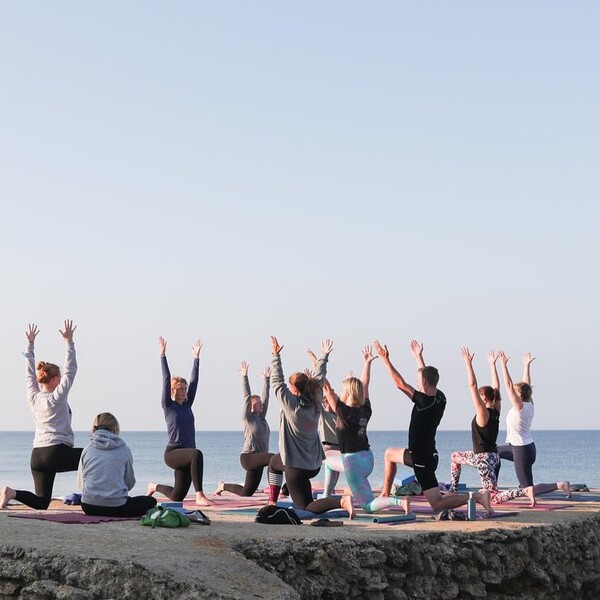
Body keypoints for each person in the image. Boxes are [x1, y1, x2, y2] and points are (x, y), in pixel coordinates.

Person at [375, 339, 493, 515]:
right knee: (389, 454)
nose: (416, 384)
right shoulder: (440, 398)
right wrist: (418, 357)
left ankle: (477, 497)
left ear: (423, 383)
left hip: (421, 459)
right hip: (427, 454)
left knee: (437, 504)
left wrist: (385, 359)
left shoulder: (424, 402)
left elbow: (400, 383)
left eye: (418, 381)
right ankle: (384, 494)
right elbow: (427, 379)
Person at [266, 336, 354, 517]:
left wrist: (275, 356)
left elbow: (276, 383)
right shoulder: (315, 402)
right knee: (274, 463)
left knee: (305, 509)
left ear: (294, 390)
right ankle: (272, 501)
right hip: (312, 465)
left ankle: (341, 501)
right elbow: (320, 377)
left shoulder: (293, 406)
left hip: (296, 467)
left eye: (291, 388)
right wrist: (324, 356)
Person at [1, 321, 81, 510]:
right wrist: (69, 342)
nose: (62, 381)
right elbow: (71, 371)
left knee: (42, 503)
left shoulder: (33, 397)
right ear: (54, 380)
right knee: (94, 456)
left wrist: (30, 346)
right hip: (56, 453)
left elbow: (29, 374)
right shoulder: (56, 398)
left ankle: (12, 493)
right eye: (59, 378)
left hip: (37, 455)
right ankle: (100, 496)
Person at [322, 346, 410, 514]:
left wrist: (319, 361)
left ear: (346, 393)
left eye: (342, 390)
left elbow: (326, 388)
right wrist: (367, 362)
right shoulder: (365, 409)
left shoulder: (343, 412)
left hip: (352, 463)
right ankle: (326, 495)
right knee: (328, 461)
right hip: (367, 459)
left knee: (368, 506)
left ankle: (399, 501)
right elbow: (364, 384)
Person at [450, 349, 526, 503]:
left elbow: (472, 385)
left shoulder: (483, 413)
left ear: (484, 398)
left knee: (494, 496)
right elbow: (496, 388)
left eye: (481, 395)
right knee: (455, 457)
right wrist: (493, 365)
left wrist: (468, 364)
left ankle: (523, 491)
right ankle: (453, 489)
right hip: (491, 457)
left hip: (483, 459)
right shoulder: (496, 410)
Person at [496, 351, 570, 507]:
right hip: (520, 447)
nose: (512, 393)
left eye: (515, 392)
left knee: (527, 488)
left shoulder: (520, 407)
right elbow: (525, 385)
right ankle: (492, 487)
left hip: (522, 451)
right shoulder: (529, 404)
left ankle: (559, 485)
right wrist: (526, 366)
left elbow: (509, 386)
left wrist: (503, 365)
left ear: (519, 395)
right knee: (493, 453)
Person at [147, 336, 212, 506]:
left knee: (177, 497)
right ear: (172, 390)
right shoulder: (168, 405)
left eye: (185, 389)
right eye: (180, 389)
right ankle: (199, 495)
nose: (184, 391)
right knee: (197, 453)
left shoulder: (187, 405)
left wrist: (196, 358)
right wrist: (163, 355)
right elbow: (166, 378)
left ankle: (154, 486)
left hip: (186, 455)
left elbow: (194, 381)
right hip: (173, 453)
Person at [78, 413, 157, 517]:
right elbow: (129, 483)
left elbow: (81, 484)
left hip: (89, 507)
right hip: (116, 507)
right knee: (151, 501)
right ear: (115, 428)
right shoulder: (124, 450)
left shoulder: (87, 450)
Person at [215, 362, 273, 497]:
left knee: (246, 492)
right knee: (273, 459)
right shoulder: (248, 418)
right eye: (257, 403)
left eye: (260, 403)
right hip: (249, 457)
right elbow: (247, 397)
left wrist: (266, 380)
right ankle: (273, 490)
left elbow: (266, 397)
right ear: (251, 407)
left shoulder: (262, 418)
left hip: (258, 459)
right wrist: (244, 377)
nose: (261, 404)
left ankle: (222, 486)